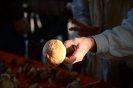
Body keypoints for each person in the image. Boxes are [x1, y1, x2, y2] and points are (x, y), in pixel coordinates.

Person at [67, 0, 133, 87]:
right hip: (93, 64)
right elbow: (81, 9)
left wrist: (92, 42)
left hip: (126, 67)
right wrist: (85, 24)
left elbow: (130, 31)